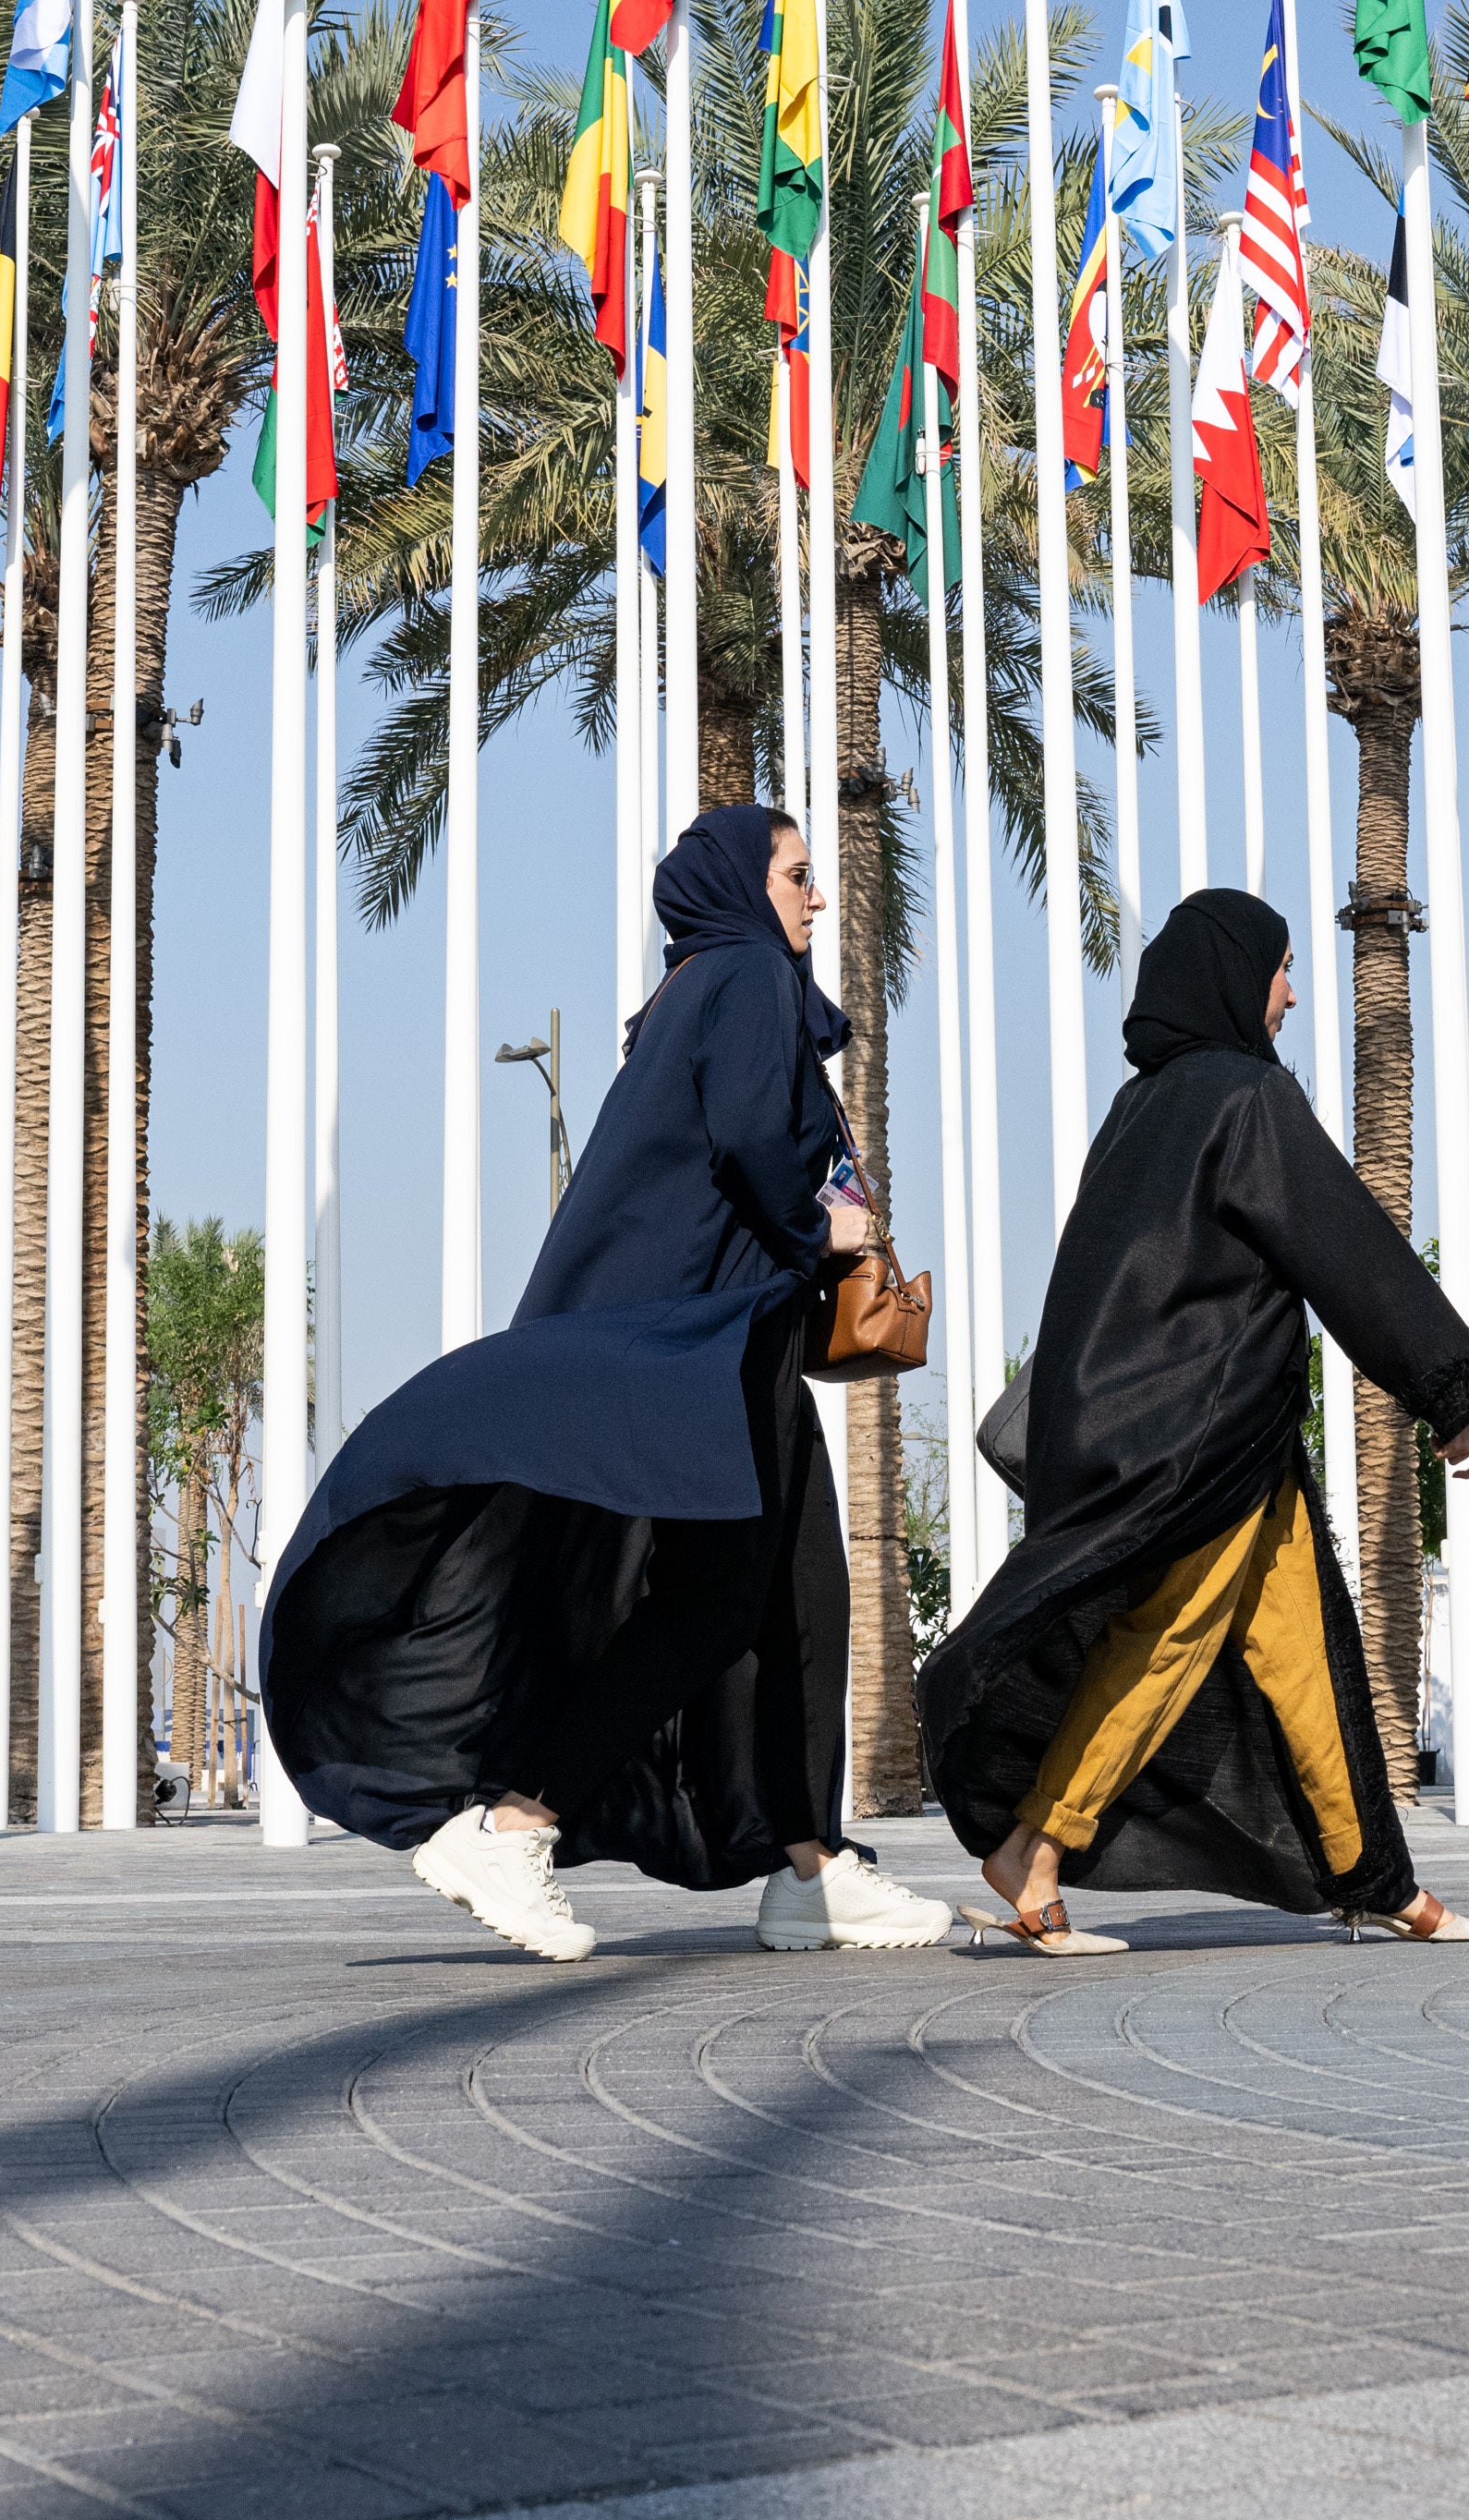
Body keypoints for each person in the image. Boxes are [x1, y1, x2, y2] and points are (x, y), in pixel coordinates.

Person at [263, 805, 953, 1961]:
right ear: (740, 886)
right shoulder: (744, 974)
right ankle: (513, 1823)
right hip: (701, 1354)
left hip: (736, 1344)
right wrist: (821, 1226)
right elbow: (753, 1137)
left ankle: (810, 1868)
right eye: (797, 874)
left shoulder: (698, 988)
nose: (817, 895)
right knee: (716, 1603)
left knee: (801, 1598)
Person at [917, 890, 1469, 1954]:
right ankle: (1036, 1851)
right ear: (1237, 975)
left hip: (1201, 1436)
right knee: (1169, 1637)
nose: (1291, 995)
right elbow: (1345, 1248)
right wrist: (1450, 1389)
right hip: (1203, 1439)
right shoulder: (1249, 1098)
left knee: (1304, 1655)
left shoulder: (1138, 1108)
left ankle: (1381, 1881)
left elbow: (1091, 1292)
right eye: (1282, 970)